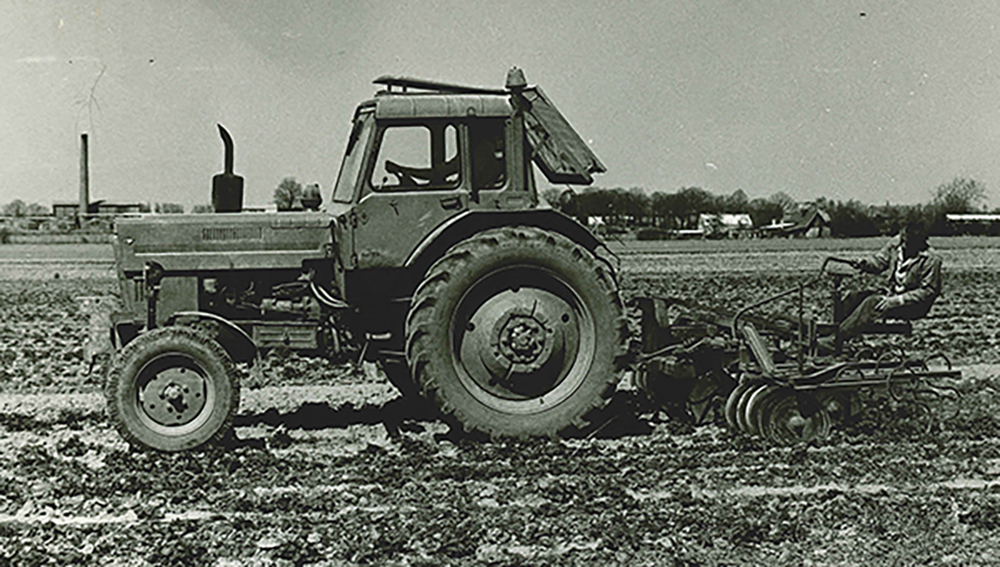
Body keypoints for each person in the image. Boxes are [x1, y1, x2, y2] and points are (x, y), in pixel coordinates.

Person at [822, 220, 942, 352]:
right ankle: (831, 334)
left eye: (909, 244)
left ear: (919, 243)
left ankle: (836, 341)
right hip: (892, 295)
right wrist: (864, 263)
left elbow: (928, 291)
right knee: (852, 297)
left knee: (872, 303)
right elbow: (879, 262)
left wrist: (896, 300)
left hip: (914, 305)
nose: (904, 246)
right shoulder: (896, 244)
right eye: (903, 241)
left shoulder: (931, 259)